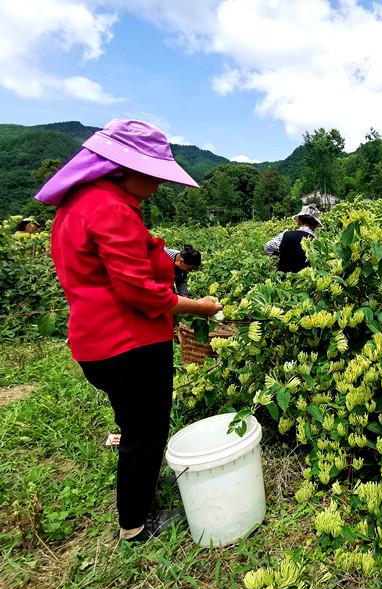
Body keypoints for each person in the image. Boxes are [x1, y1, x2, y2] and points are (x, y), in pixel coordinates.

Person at [35, 119, 223, 543]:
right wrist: (203, 308)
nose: (157, 185)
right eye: (153, 175)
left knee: (133, 424)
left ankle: (139, 487)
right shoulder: (110, 209)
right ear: (124, 167)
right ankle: (135, 526)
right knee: (146, 430)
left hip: (95, 341)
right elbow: (143, 295)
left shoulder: (77, 205)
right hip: (129, 343)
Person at [263, 204, 323, 272]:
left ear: (299, 221)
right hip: (306, 280)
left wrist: (281, 255)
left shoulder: (286, 235)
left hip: (283, 279)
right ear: (315, 225)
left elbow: (267, 247)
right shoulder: (316, 243)